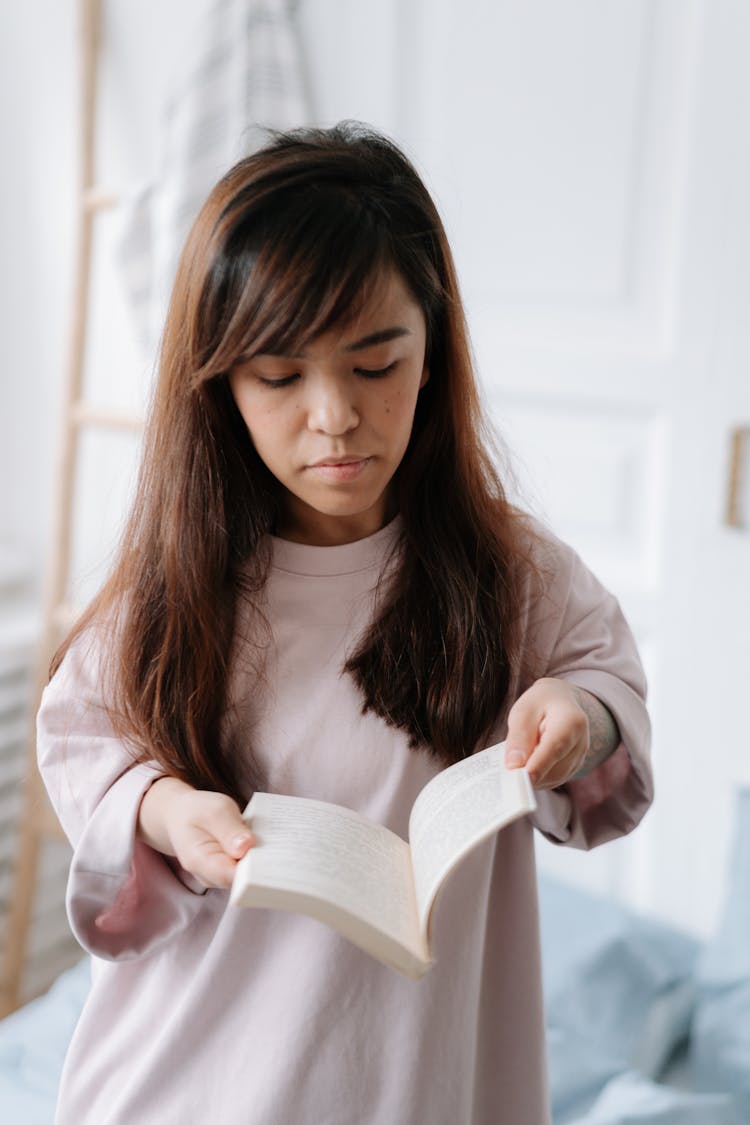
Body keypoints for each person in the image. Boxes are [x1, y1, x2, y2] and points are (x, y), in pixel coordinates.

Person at [37, 122, 652, 1125]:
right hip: (187, 1086)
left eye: (376, 364)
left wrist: (582, 710)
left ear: (432, 353)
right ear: (220, 384)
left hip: (425, 1084)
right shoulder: (178, 586)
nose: (334, 416)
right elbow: (81, 737)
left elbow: (604, 675)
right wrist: (162, 812)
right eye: (279, 378)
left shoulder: (511, 572)